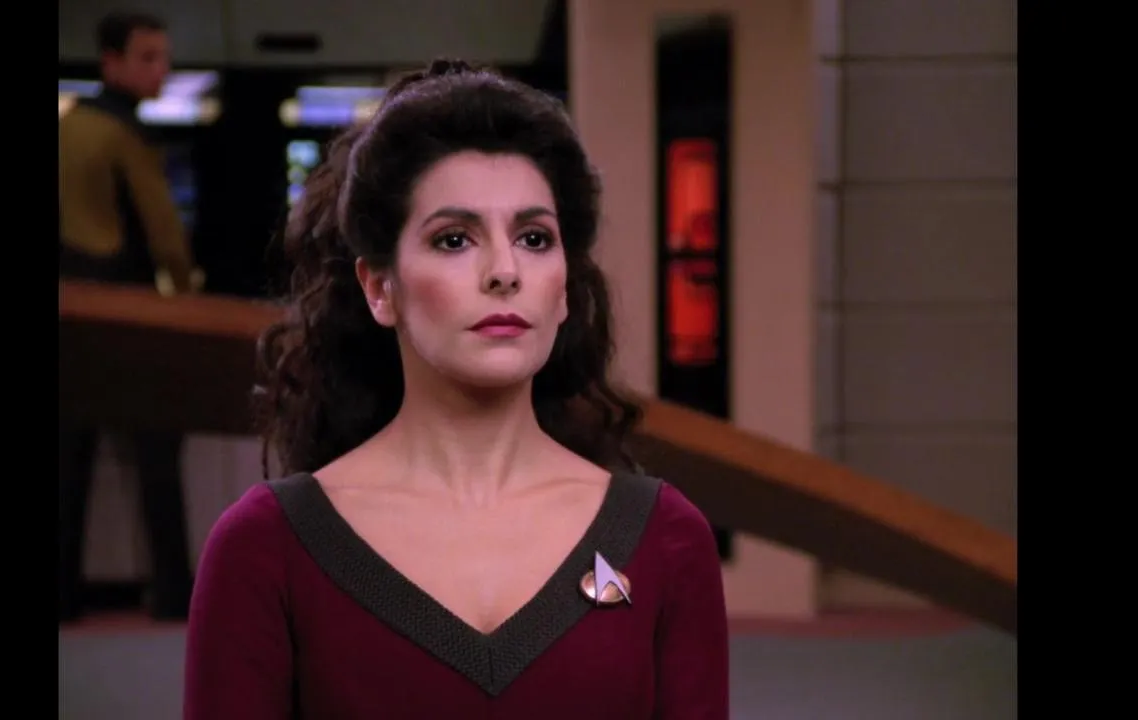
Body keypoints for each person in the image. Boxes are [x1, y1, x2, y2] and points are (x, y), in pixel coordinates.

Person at [183, 59, 730, 718]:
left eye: (534, 238)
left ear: (565, 289)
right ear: (380, 288)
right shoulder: (265, 549)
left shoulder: (666, 538)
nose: (504, 271)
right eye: (453, 240)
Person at [58, 11, 198, 622]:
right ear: (110, 61)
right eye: (147, 57)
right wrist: (185, 298)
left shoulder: (68, 128)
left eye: (163, 56)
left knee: (69, 462)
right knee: (157, 458)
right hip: (131, 314)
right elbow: (166, 236)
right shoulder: (123, 134)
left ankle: (64, 596)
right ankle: (173, 594)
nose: (161, 69)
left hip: (72, 315)